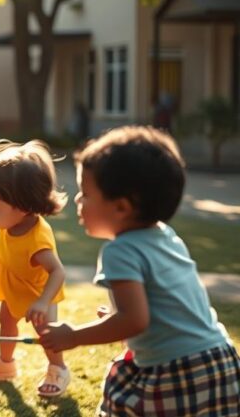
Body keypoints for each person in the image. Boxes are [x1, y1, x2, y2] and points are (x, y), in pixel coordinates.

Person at [40, 126, 240, 416]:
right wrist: (116, 317)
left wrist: (73, 336)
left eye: (86, 193)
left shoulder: (119, 251)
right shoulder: (167, 236)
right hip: (220, 359)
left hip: (176, 369)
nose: (78, 201)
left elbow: (134, 320)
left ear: (121, 207)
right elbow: (167, 305)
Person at [0, 140, 70, 397]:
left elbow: (58, 271)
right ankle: (5, 364)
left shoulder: (37, 240)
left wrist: (43, 303)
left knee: (46, 334)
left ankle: (58, 369)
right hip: (15, 286)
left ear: (24, 206)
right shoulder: (11, 224)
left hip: (39, 295)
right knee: (5, 320)